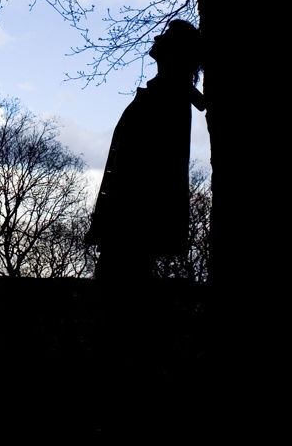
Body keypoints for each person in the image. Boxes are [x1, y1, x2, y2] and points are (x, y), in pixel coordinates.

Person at [87, 19, 206, 281]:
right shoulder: (166, 93)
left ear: (176, 51)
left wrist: (124, 216)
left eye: (167, 35)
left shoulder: (169, 96)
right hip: (129, 219)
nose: (157, 38)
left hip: (133, 220)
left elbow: (155, 164)